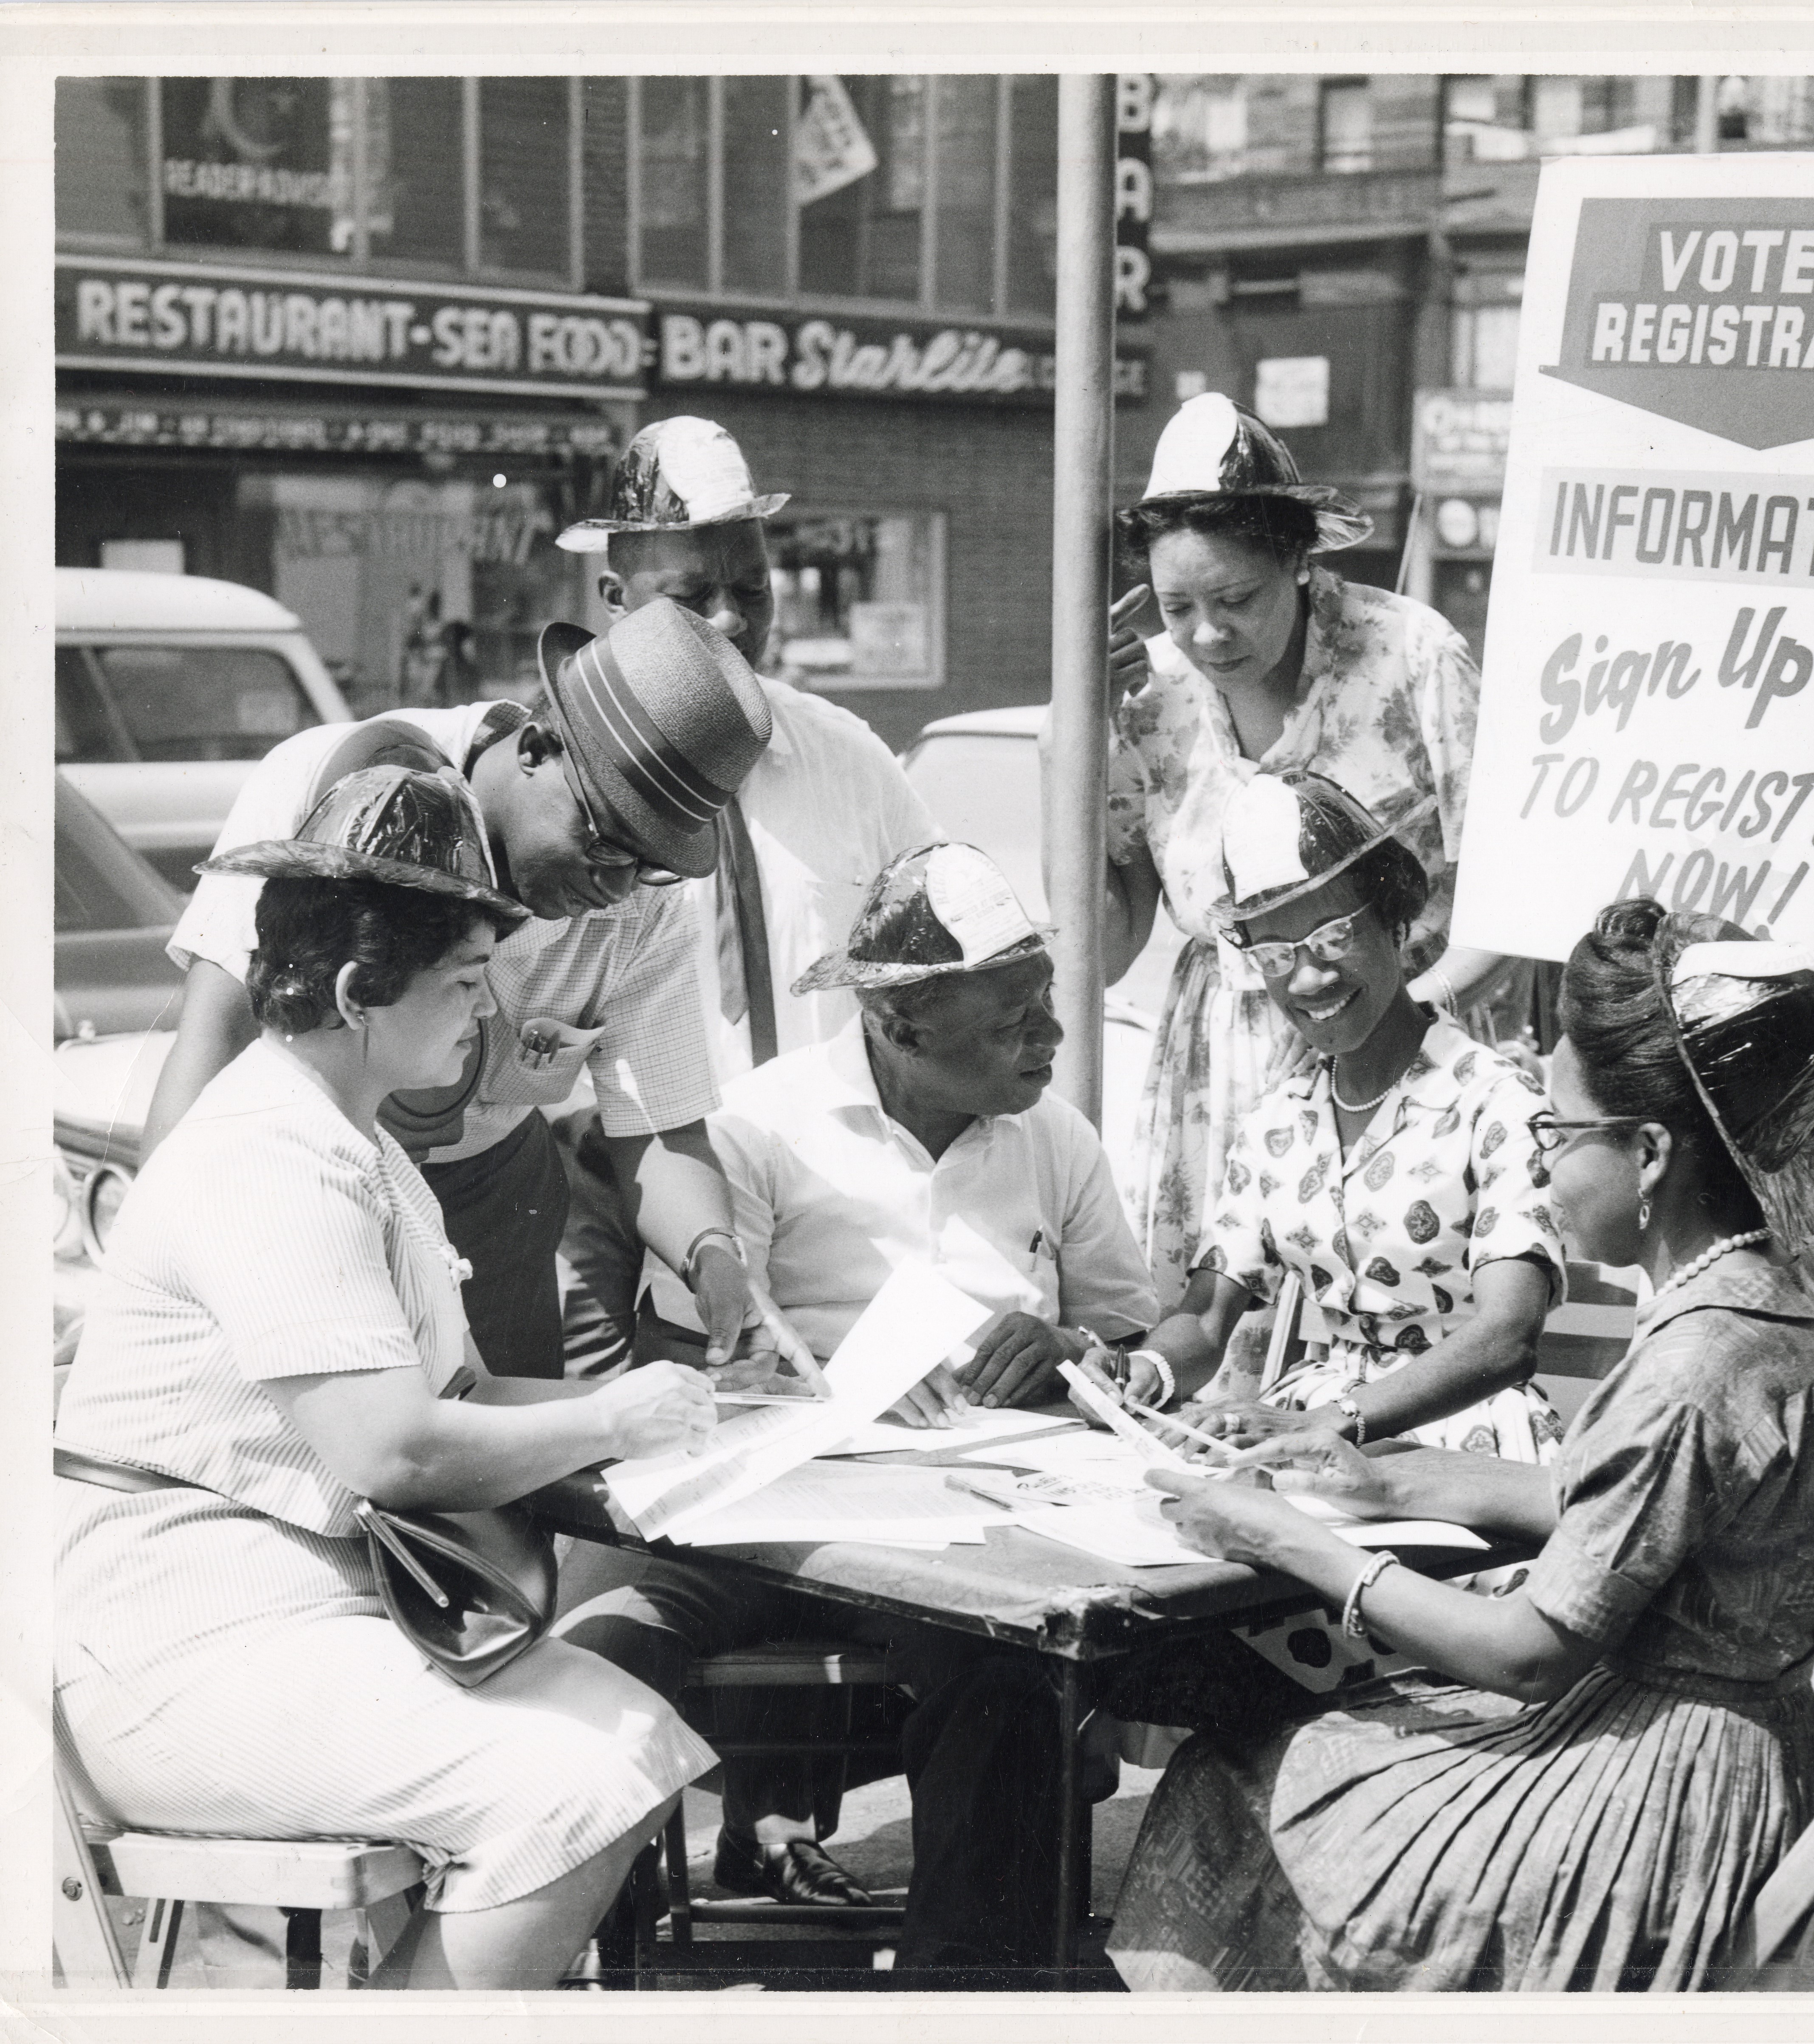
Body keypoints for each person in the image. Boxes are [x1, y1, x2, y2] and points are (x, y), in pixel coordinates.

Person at [1103, 905, 1814, 1991]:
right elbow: (1603, 1498)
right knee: (1307, 1739)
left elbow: (1528, 1654)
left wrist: (1301, 1544)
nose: (1544, 1163)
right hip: (1764, 1763)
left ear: (1651, 1153)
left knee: (1235, 1772)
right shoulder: (1807, 1298)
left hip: (1656, 1808)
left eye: (1561, 1135)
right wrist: (1385, 1479)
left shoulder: (1694, 1363)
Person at [54, 767, 721, 1991]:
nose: (485, 1013)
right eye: (466, 983)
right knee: (585, 1780)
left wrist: (675, 1424)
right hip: (172, 1640)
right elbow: (392, 1450)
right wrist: (609, 1412)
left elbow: (453, 1398)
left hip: (291, 1608)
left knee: (629, 1734)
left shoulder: (352, 1141)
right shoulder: (272, 1155)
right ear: (362, 992)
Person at [557, 841, 1161, 1953]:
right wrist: (842, 1388)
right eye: (1013, 1019)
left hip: (978, 1535)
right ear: (899, 1027)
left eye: (1045, 1006)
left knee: (1006, 1671)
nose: (1052, 1038)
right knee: (600, 1647)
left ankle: (967, 2005)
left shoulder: (1054, 1135)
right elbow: (688, 1361)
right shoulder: (757, 1126)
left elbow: (1135, 1333)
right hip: (771, 1522)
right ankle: (580, 1978)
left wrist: (1072, 1345)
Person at [142, 597, 805, 1388]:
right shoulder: (344, 785)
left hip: (490, 1193)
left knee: (502, 1466)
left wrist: (713, 1253)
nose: (618, 885)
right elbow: (213, 1047)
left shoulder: (640, 898)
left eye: (650, 862)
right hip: (295, 1181)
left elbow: (659, 1123)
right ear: (535, 748)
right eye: (602, 843)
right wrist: (161, 1274)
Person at [1096, 392, 1515, 1314]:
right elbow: (1106, 946)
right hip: (1222, 1091)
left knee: (1390, 1358)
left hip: (1405, 1065)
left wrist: (1397, 1034)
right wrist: (1076, 737)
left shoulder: (1410, 654)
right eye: (1179, 607)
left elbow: (1511, 895)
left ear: (1297, 558)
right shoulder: (1150, 700)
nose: (1209, 634)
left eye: (1238, 599)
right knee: (1220, 1371)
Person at [548, 415, 940, 1375]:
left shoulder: (851, 762)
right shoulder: (563, 780)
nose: (729, 621)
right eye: (691, 595)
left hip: (819, 1207)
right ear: (613, 599)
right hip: (611, 1194)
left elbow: (941, 964)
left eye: (752, 589)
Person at [1129, 770, 1563, 1460]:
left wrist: (1334, 1420)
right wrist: (1140, 1372)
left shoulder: (1494, 1102)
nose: (1307, 979)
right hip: (1314, 1431)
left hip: (1465, 1444)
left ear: (1394, 920)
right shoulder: (1278, 1121)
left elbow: (1507, 1334)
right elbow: (1207, 1321)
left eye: (1333, 938)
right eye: (1275, 954)